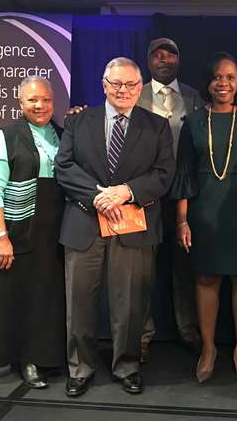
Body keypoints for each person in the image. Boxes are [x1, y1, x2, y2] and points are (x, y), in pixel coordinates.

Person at [55, 57, 175, 397]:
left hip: (133, 227)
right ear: (104, 85)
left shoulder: (157, 127)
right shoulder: (79, 122)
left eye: (131, 84)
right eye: (116, 84)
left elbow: (165, 174)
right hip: (84, 223)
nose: (123, 90)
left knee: (130, 303)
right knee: (78, 304)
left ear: (141, 87)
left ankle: (127, 365)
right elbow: (64, 167)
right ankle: (81, 368)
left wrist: (127, 191)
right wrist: (98, 197)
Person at [172, 51, 237, 386]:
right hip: (204, 214)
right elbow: (184, 174)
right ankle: (209, 349)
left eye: (230, 77)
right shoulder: (194, 122)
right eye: (217, 77)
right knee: (205, 279)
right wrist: (183, 220)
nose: (223, 83)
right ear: (208, 82)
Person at [0, 75, 66, 389]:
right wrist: (1, 237)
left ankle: (47, 356)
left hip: (52, 233)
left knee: (47, 298)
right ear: (20, 103)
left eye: (45, 99)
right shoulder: (6, 136)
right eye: (32, 100)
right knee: (22, 298)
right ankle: (26, 359)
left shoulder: (61, 133)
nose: (40, 106)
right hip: (17, 233)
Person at [137, 37, 204, 362]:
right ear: (148, 61)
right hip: (144, 198)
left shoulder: (194, 98)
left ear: (179, 60)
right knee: (142, 271)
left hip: (184, 198)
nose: (164, 59)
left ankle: (189, 331)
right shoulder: (133, 94)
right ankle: (142, 335)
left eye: (171, 53)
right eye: (157, 54)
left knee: (185, 269)